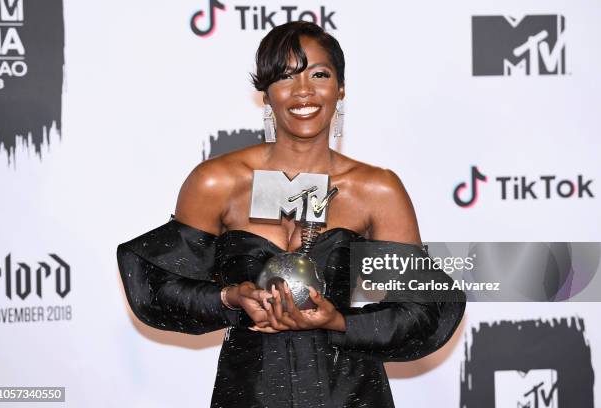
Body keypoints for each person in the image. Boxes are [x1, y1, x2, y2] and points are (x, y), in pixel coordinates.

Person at [117, 21, 466, 408]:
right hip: (251, 391)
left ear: (341, 88)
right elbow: (158, 290)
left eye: (319, 74)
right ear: (266, 95)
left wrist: (339, 321)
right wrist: (229, 298)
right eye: (285, 77)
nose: (303, 91)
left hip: (348, 392)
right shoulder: (217, 182)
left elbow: (422, 310)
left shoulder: (374, 189)